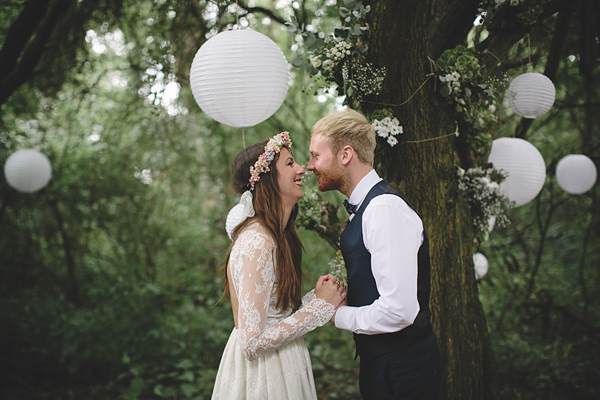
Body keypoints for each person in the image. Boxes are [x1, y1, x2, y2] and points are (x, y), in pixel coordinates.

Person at [307, 110, 442, 400]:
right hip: (386, 367)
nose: (309, 166)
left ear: (345, 155)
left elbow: (399, 310)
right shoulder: (369, 208)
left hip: (404, 373)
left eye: (316, 156)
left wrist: (338, 314)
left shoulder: (383, 209)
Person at [212, 132, 347, 400]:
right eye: (289, 164)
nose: (301, 169)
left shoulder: (276, 238)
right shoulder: (257, 242)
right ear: (267, 179)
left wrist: (315, 299)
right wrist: (320, 309)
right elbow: (251, 343)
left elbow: (275, 316)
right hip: (263, 377)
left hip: (283, 365)